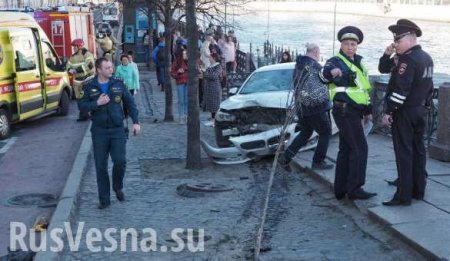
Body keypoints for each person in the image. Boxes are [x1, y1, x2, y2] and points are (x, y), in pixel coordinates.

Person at [380, 19, 433, 206]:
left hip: (405, 113)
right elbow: (429, 88)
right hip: (420, 111)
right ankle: (419, 190)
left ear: (411, 39)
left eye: (398, 40)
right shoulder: (426, 58)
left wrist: (388, 111)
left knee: (404, 152)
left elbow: (400, 91)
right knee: (418, 151)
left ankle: (403, 195)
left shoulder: (408, 60)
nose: (396, 44)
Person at [320, 26, 376, 200]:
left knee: (346, 149)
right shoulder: (335, 61)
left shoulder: (359, 63)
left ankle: (341, 189)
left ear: (357, 46)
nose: (350, 47)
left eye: (353, 44)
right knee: (360, 148)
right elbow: (323, 74)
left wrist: (368, 111)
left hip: (355, 111)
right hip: (344, 110)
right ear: (341, 45)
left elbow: (364, 90)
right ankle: (355, 189)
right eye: (346, 44)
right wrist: (331, 73)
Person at [78, 57, 140, 209]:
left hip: (117, 129)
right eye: (107, 68)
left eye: (111, 67)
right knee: (101, 166)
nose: (110, 70)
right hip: (99, 131)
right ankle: (104, 200)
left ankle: (117, 186)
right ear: (99, 70)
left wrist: (136, 122)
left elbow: (130, 103)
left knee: (120, 161)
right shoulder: (89, 86)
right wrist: (97, 104)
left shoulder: (117, 83)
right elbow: (82, 106)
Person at [278, 43, 333, 171]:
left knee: (305, 133)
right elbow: (318, 87)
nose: (319, 56)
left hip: (301, 106)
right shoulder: (314, 66)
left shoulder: (299, 65)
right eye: (319, 53)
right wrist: (325, 100)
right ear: (315, 52)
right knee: (325, 132)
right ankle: (318, 162)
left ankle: (286, 158)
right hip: (314, 106)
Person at [67, 38, 95, 121]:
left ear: (79, 46)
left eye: (74, 46)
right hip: (77, 81)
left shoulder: (87, 54)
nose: (73, 48)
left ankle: (91, 113)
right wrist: (69, 70)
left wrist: (76, 70)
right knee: (79, 99)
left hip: (87, 79)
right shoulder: (72, 57)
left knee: (90, 97)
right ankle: (83, 114)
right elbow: (68, 66)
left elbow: (90, 65)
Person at [202, 53, 222, 124]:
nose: (209, 59)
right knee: (210, 102)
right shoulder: (210, 66)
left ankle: (215, 117)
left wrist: (205, 72)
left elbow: (214, 76)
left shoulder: (218, 66)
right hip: (209, 86)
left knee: (215, 103)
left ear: (214, 58)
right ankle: (212, 116)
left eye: (210, 57)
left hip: (215, 87)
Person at [170, 48, 189, 124]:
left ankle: (187, 116)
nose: (185, 55)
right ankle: (181, 117)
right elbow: (172, 73)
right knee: (181, 101)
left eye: (186, 53)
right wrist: (178, 72)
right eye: (183, 54)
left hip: (188, 82)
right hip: (180, 82)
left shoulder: (190, 61)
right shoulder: (176, 62)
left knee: (187, 100)